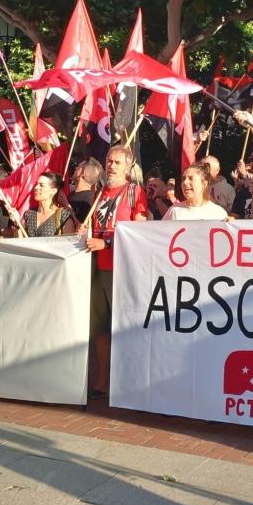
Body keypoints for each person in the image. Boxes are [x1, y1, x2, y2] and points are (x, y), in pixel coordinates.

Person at [80, 145, 148, 398]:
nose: (111, 166)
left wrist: (107, 243)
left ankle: (126, 379)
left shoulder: (134, 192)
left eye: (117, 162)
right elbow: (93, 227)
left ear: (128, 166)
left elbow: (139, 231)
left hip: (120, 267)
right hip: (97, 266)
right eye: (109, 161)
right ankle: (102, 380)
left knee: (122, 325)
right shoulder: (99, 193)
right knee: (99, 327)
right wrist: (84, 233)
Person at [9, 172, 77, 237]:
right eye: (36, 184)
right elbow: (20, 242)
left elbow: (69, 242)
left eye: (41, 185)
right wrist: (17, 223)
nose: (36, 187)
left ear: (53, 191)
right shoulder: (28, 214)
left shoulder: (64, 216)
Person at [163, 163, 228, 220]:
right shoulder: (174, 211)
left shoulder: (218, 213)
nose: (185, 182)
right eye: (183, 178)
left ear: (204, 184)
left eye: (191, 178)